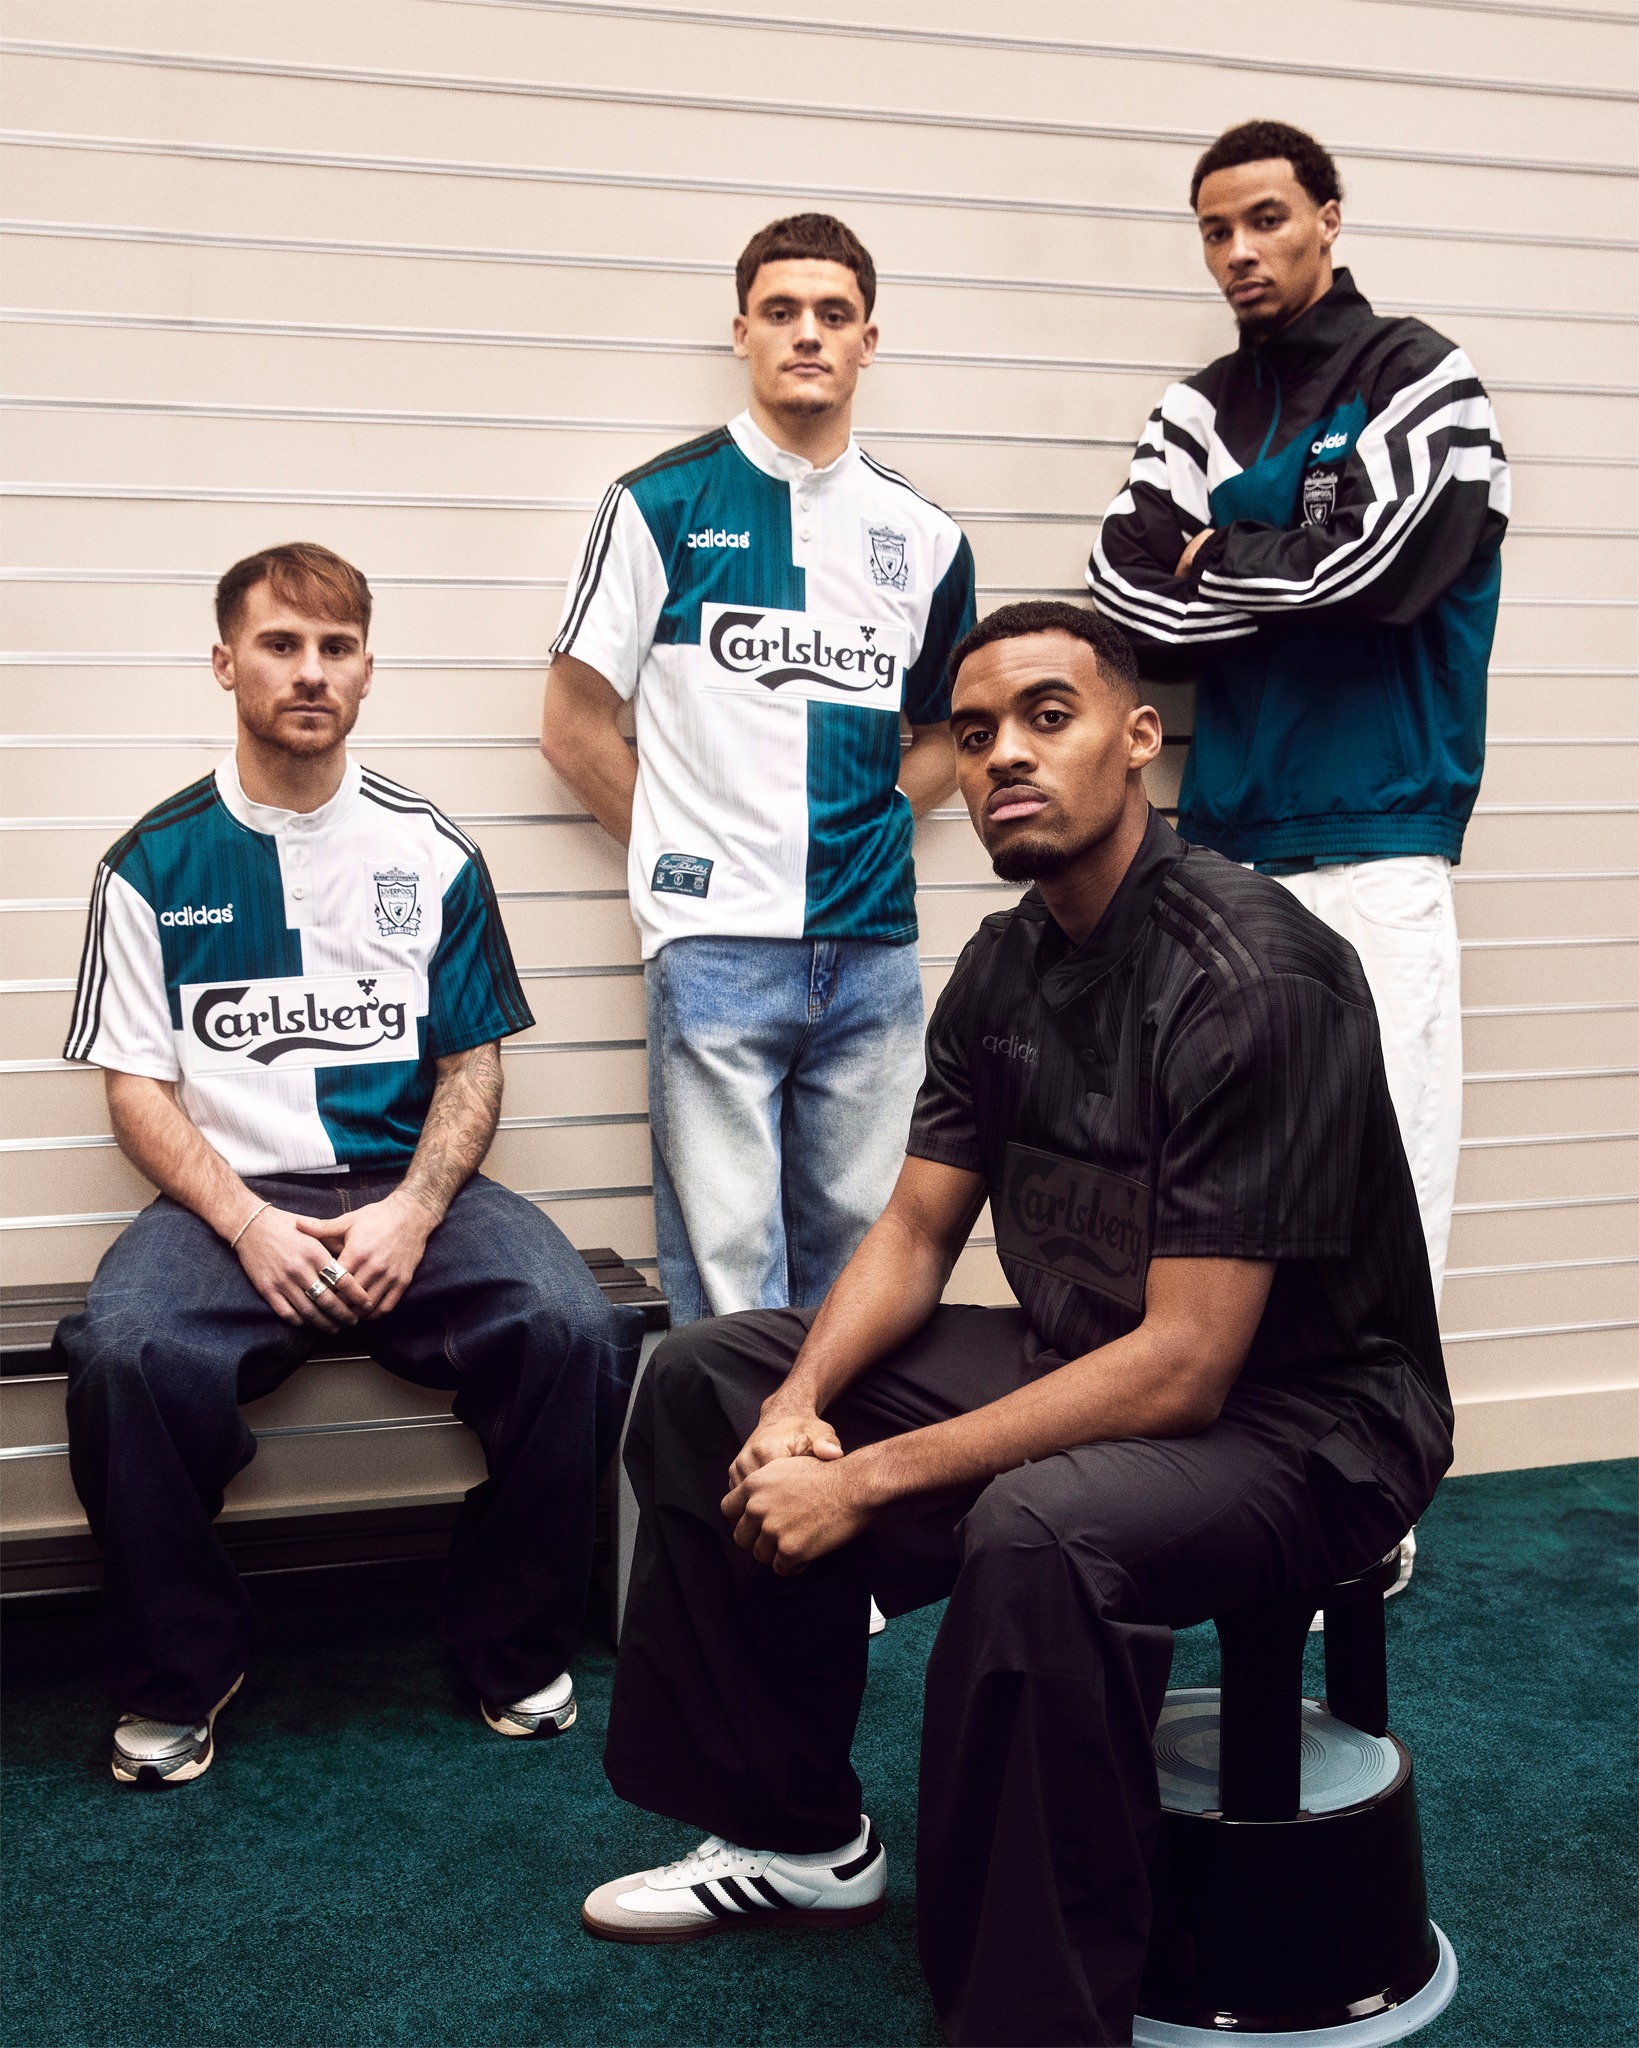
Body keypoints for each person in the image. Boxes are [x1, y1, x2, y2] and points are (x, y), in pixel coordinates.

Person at [580, 603, 1454, 2047]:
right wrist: (797, 1408)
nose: (1002, 757)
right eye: (975, 732)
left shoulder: (1254, 974)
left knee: (1040, 1531)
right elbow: (916, 1231)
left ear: (1137, 735)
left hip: (1310, 1420)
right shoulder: (1003, 961)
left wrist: (860, 1478)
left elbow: (1186, 1367)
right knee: (706, 1376)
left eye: (1047, 716)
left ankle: (1027, 2019)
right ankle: (798, 1837)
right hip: (1090, 1349)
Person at [55, 542, 642, 1787]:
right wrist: (245, 1222)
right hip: (226, 1206)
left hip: (406, 1185)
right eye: (281, 644)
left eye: (337, 646)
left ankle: (509, 1638)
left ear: (369, 669)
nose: (310, 671)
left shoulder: (433, 852)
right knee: (123, 1353)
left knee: (573, 1327)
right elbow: (135, 1090)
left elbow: (473, 1065)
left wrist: (417, 1208)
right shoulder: (147, 864)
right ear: (226, 663)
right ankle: (181, 1667)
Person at [1087, 119, 1509, 1315]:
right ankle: (1243, 1440)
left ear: (1327, 217)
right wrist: (1296, 574)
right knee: (1223, 1187)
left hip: (1378, 842)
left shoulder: (1419, 377)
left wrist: (1217, 554)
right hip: (1223, 854)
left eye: (1265, 219)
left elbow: (1392, 572)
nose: (1238, 250)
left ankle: (1383, 1448)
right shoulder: (1197, 411)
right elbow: (1124, 598)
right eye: (1214, 230)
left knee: (1391, 1189)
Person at [542, 211, 976, 1327]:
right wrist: (683, 848)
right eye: (781, 311)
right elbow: (574, 724)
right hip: (715, 947)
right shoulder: (658, 505)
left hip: (871, 945)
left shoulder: (926, 537)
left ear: (868, 340)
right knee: (730, 1271)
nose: (807, 333)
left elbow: (948, 731)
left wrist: (880, 817)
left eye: (833, 313)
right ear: (742, 332)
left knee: (867, 1262)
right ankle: (740, 1450)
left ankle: (840, 1449)